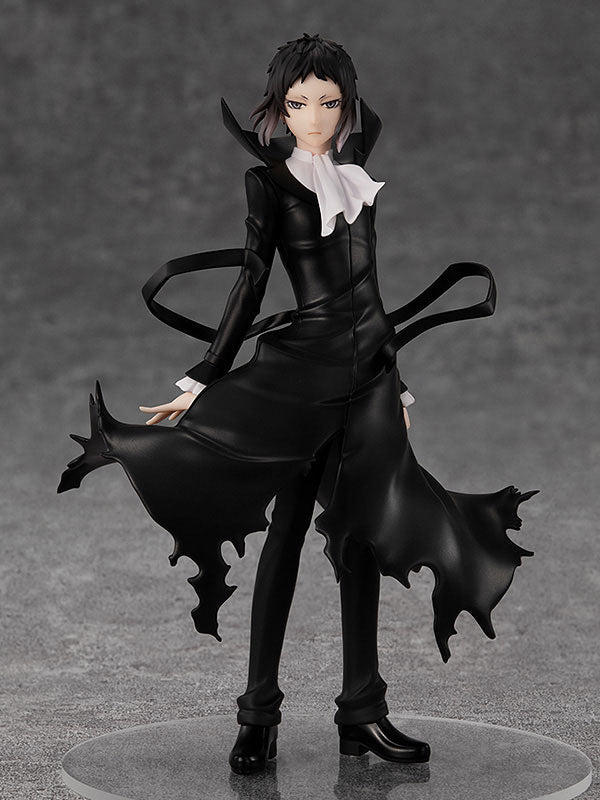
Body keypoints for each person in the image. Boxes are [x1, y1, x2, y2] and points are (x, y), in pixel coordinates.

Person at [58, 33, 536, 775]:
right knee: (284, 535)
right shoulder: (270, 183)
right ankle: (258, 715)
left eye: (329, 102)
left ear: (347, 107)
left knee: (363, 538)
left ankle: (363, 715)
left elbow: (372, 297)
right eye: (298, 102)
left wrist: (398, 380)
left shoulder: (357, 175)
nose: (314, 117)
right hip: (301, 379)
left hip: (368, 383)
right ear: (280, 110)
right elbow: (250, 282)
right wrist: (202, 376)